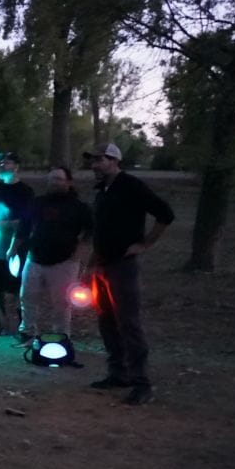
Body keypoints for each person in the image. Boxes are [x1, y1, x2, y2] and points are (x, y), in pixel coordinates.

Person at [82, 142, 175, 406]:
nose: (94, 166)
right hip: (102, 266)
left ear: (114, 160)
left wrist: (145, 244)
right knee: (106, 321)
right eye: (92, 161)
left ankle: (141, 383)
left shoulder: (131, 185)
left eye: (99, 160)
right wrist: (91, 266)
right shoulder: (101, 190)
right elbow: (100, 232)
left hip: (123, 267)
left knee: (129, 323)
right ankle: (118, 373)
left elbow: (165, 214)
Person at [11, 166, 93, 345]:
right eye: (52, 179)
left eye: (59, 179)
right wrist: (13, 248)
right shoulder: (37, 202)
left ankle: (62, 337)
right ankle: (27, 332)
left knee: (61, 303)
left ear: (68, 182)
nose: (54, 183)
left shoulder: (78, 207)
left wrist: (78, 254)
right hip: (35, 259)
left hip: (64, 261)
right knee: (28, 297)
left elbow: (90, 232)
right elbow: (23, 228)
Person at [0, 151, 34, 339]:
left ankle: (20, 325)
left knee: (13, 288)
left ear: (16, 167)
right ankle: (0, 323)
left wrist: (6, 225)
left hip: (13, 246)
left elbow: (27, 221)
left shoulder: (25, 192)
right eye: (0, 163)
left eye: (7, 162)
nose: (2, 166)